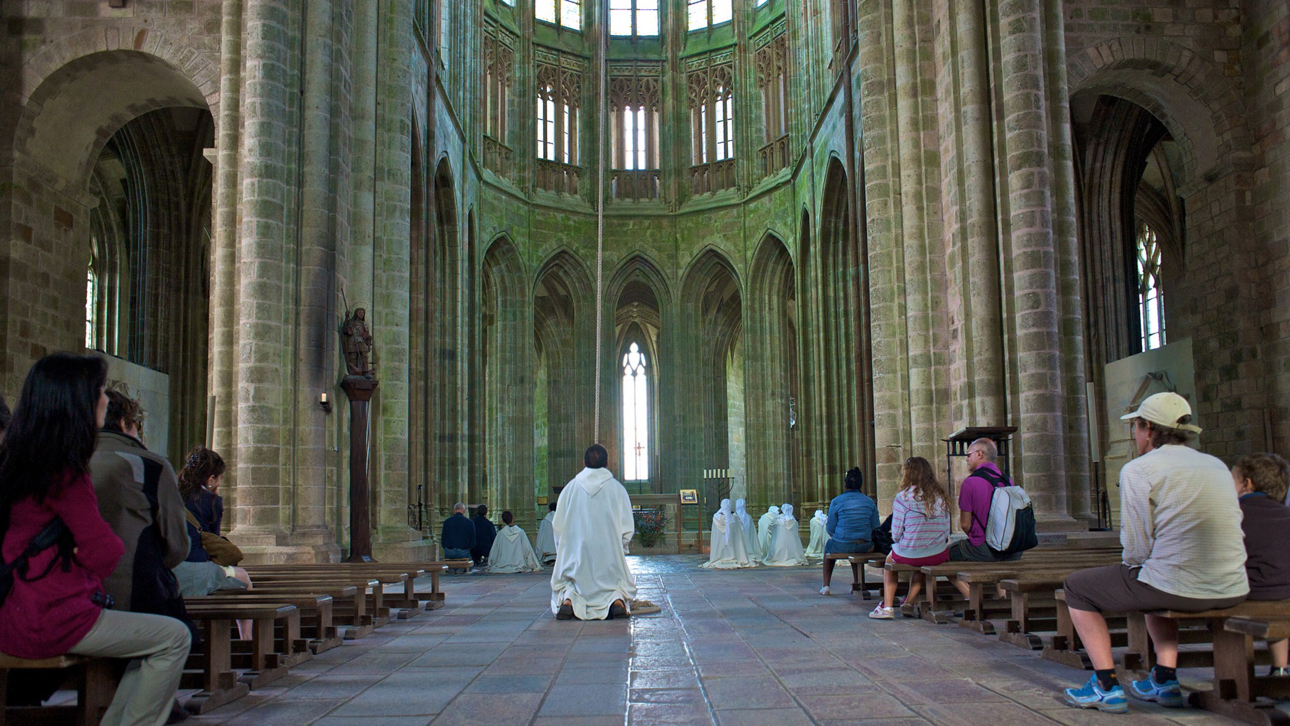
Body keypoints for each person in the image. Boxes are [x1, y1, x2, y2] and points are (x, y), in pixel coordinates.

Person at [0, 353, 190, 726]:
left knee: (149, 640)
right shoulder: (66, 470)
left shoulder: (15, 460)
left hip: (13, 610)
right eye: (99, 391)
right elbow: (105, 554)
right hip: (51, 617)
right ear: (78, 401)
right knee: (173, 637)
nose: (105, 399)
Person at [1061, 392, 1248, 714]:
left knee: (1077, 587)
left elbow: (1135, 548)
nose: (1134, 434)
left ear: (1147, 428)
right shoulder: (1216, 465)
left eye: (1135, 427)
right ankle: (1164, 678)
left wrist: (1143, 563)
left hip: (1180, 587)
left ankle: (1106, 685)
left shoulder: (1140, 469)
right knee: (1152, 574)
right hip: (1232, 586)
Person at [90, 389, 192, 622]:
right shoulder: (151, 466)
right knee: (178, 638)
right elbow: (177, 546)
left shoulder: (62, 462)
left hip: (68, 599)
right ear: (124, 423)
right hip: (133, 596)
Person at [550, 444, 637, 620]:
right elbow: (627, 528)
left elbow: (558, 526)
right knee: (614, 582)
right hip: (608, 554)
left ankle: (569, 600)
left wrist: (564, 548)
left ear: (583, 462)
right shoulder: (618, 489)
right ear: (607, 463)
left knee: (571, 582)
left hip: (576, 554)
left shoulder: (570, 489)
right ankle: (616, 601)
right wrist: (619, 547)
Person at [869, 457, 951, 619]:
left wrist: (904, 541)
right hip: (938, 553)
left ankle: (887, 607)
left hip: (911, 552)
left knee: (890, 560)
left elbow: (897, 532)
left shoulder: (903, 497)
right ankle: (909, 602)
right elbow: (946, 529)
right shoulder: (940, 496)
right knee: (923, 559)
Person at [1232, 453, 1290, 676]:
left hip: (1249, 595)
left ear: (1247, 484)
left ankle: (1235, 677)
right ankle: (1280, 667)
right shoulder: (1286, 514)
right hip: (1285, 594)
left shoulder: (1235, 515)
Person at [949, 438, 1022, 564]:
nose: (967, 459)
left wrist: (979, 539)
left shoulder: (970, 482)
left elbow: (965, 524)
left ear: (979, 454)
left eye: (968, 454)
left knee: (946, 554)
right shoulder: (1007, 480)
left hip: (985, 551)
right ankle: (999, 584)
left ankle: (968, 585)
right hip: (1012, 549)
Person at [821, 468, 879, 596]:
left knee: (829, 547)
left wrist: (842, 537)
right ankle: (857, 582)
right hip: (865, 544)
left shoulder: (836, 501)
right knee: (856, 548)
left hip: (843, 543)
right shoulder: (869, 501)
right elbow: (875, 526)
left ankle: (826, 586)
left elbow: (830, 528)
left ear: (845, 483)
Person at [702, 498, 754, 569]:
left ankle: (719, 557)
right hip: (732, 545)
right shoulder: (734, 518)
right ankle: (733, 556)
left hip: (720, 547)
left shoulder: (716, 518)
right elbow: (738, 535)